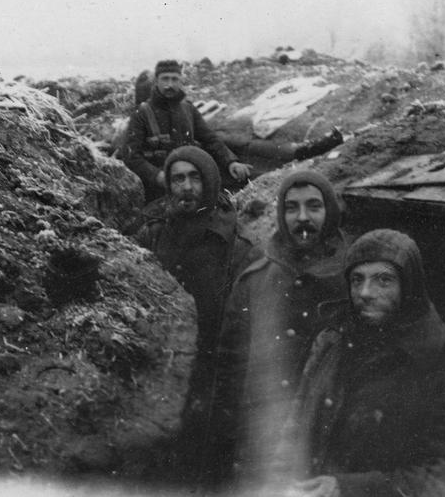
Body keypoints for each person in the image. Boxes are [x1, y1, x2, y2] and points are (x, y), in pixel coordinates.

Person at [274, 229, 445, 497]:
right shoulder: (331, 343)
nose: (365, 292)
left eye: (383, 280)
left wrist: (350, 488)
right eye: (356, 280)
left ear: (409, 286)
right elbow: (295, 428)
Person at [213, 170, 349, 482]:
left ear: (329, 211)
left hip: (329, 449)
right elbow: (229, 373)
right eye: (291, 208)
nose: (302, 217)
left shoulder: (355, 278)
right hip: (263, 444)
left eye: (314, 206)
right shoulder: (254, 279)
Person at [135, 145, 254, 485]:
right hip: (167, 359)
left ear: (210, 182)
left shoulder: (235, 241)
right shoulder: (154, 231)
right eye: (177, 179)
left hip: (217, 360)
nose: (186, 187)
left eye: (195, 178)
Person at [123, 59, 251, 201]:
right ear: (156, 82)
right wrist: (157, 176)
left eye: (174, 79)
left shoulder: (188, 109)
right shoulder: (142, 113)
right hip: (158, 184)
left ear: (180, 82)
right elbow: (131, 156)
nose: (170, 84)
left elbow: (210, 138)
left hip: (189, 176)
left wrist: (230, 161)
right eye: (165, 79)